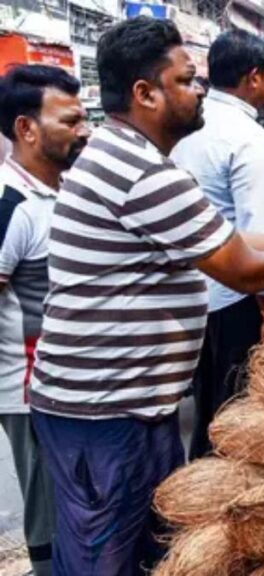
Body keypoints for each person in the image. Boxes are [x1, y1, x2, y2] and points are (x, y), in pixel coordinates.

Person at [28, 18, 264, 575]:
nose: (200, 90)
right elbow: (241, 268)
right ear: (145, 93)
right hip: (105, 411)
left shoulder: (127, 157)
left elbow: (225, 241)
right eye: (187, 80)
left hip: (123, 406)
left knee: (136, 549)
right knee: (102, 561)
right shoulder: (140, 172)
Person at [170, 29, 264, 459]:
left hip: (189, 291)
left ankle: (198, 480)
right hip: (234, 297)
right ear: (254, 77)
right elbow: (258, 229)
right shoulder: (249, 138)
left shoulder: (186, 125)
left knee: (207, 404)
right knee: (234, 411)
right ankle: (215, 488)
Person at [0, 63, 90, 576]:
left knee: (72, 506)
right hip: (29, 388)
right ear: (26, 129)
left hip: (67, 383)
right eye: (70, 121)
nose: (84, 131)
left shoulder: (62, 190)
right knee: (48, 515)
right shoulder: (11, 204)